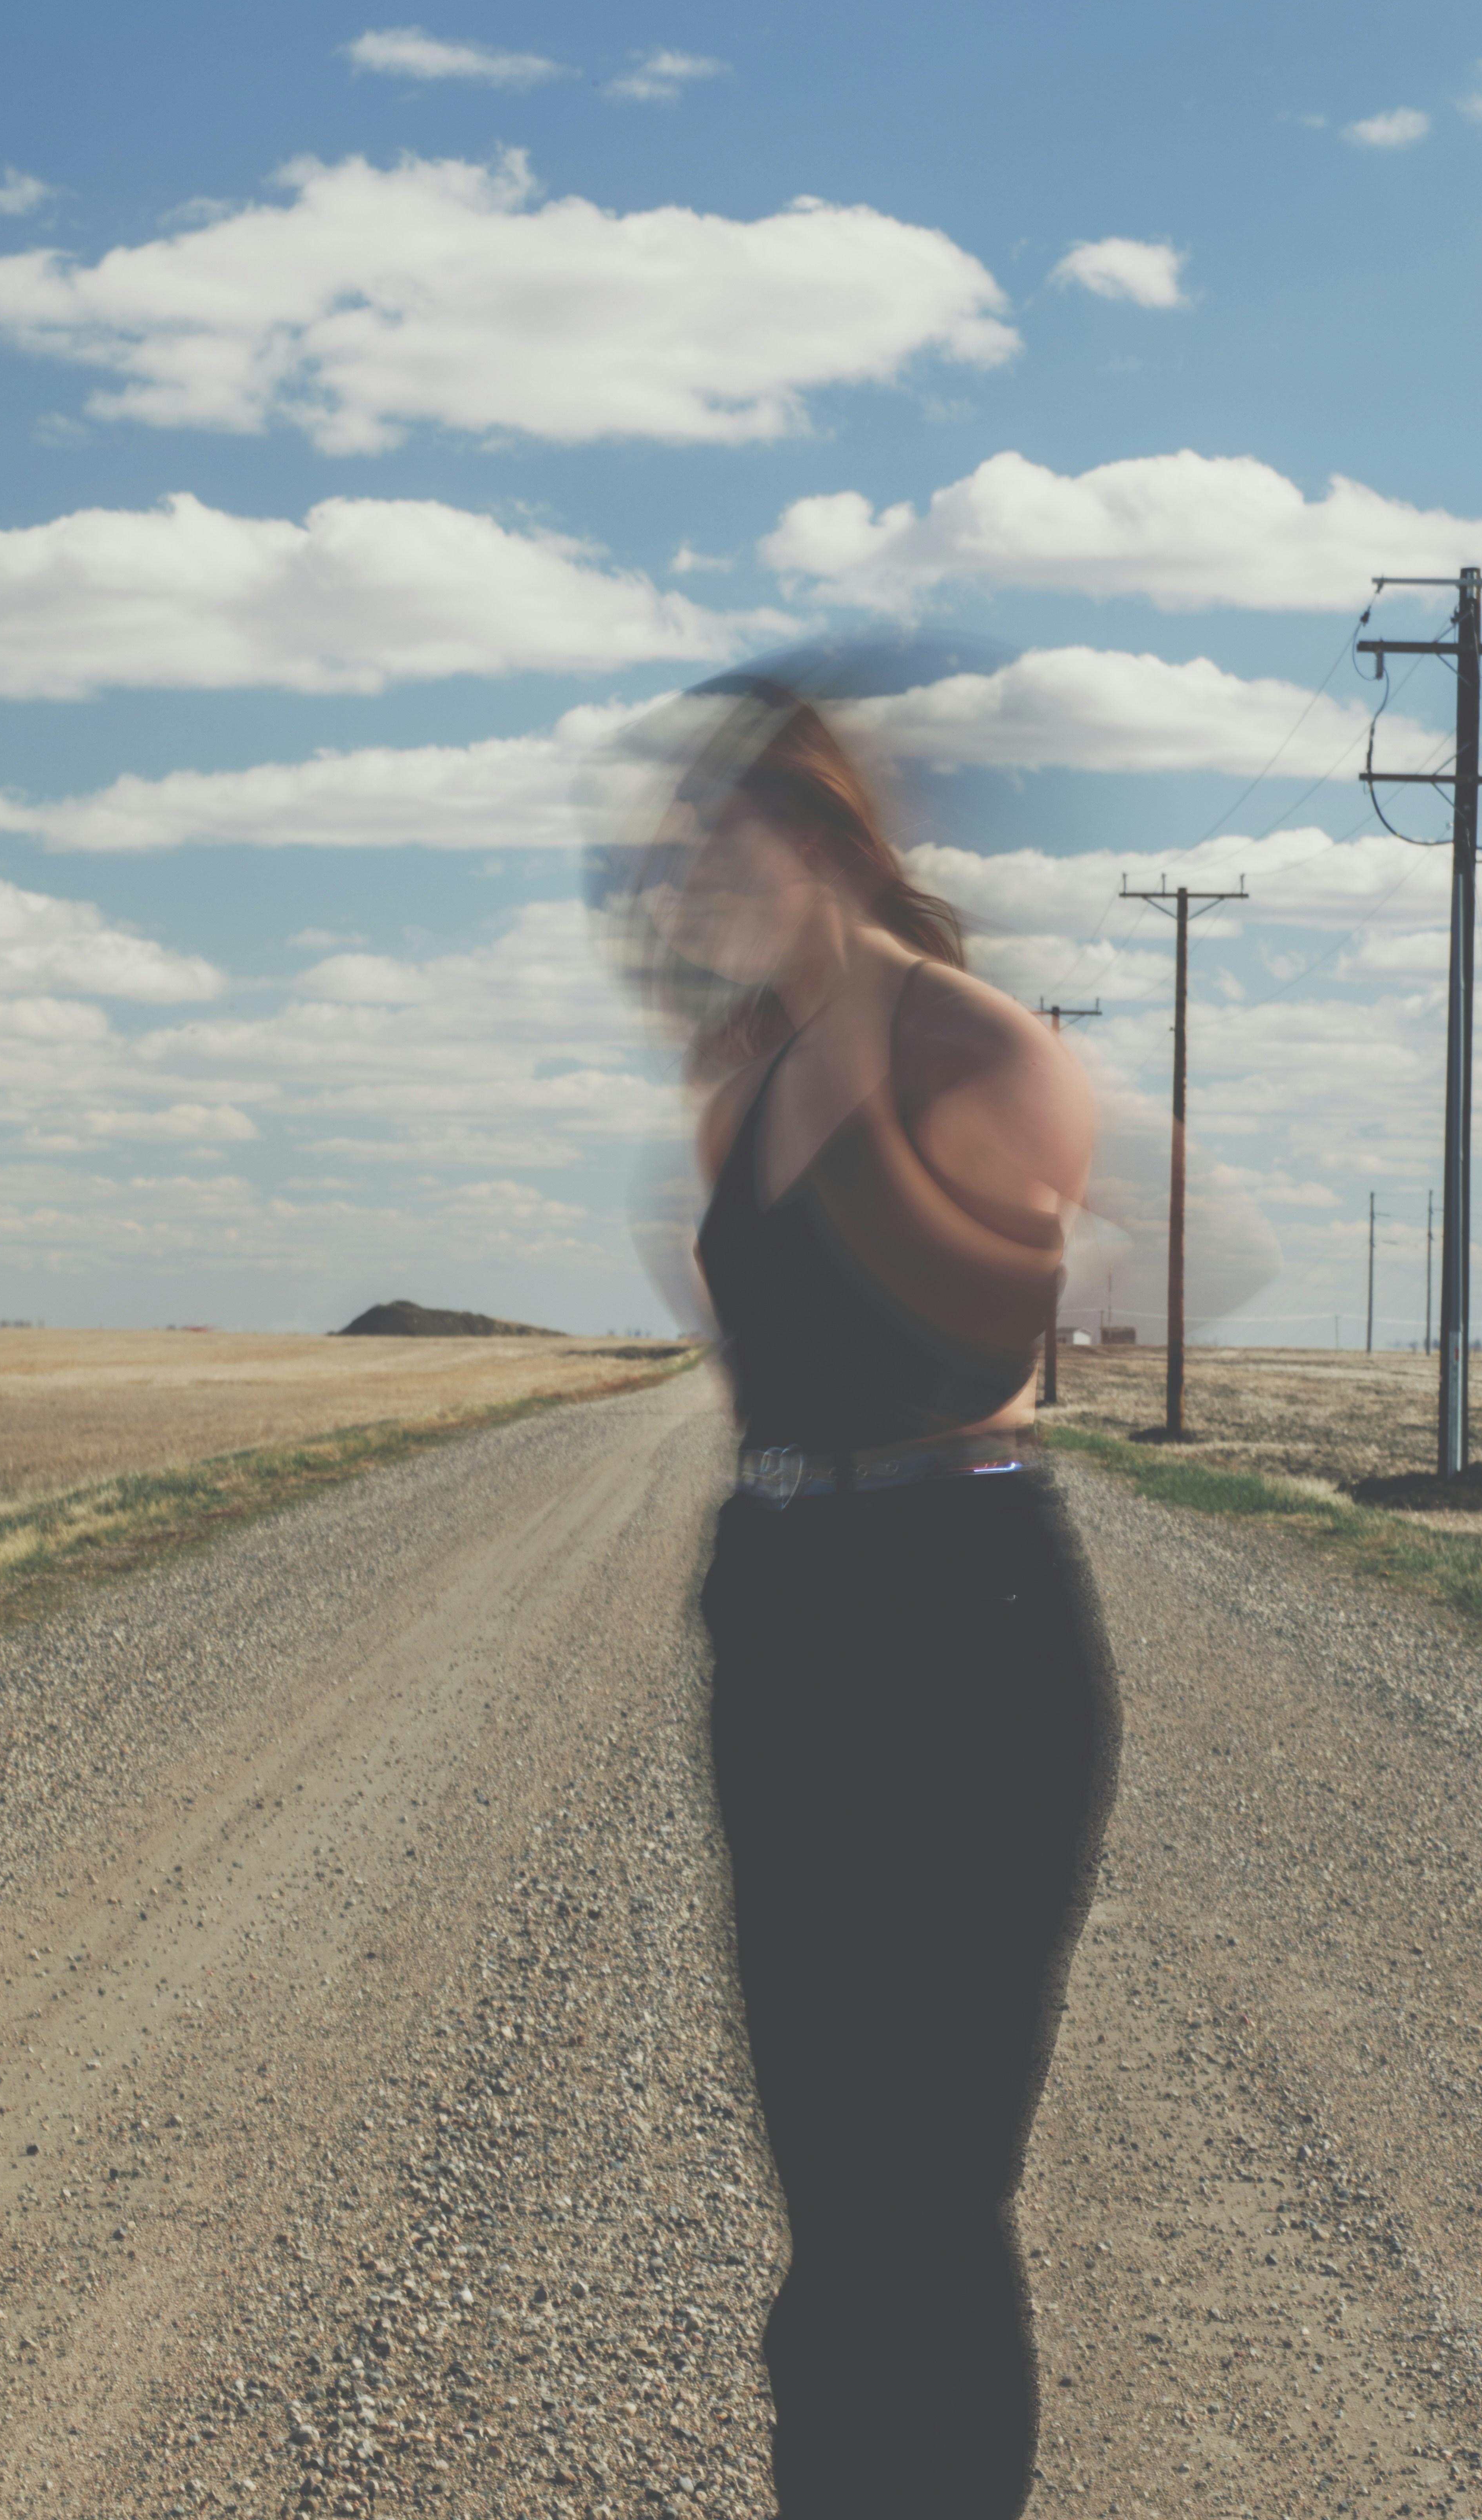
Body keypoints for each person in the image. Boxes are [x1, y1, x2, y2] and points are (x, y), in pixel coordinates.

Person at [621, 675, 1122, 2519]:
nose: (684, 888)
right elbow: (767, 1339)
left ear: (820, 840)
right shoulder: (731, 1079)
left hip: (964, 1609)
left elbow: (977, 1339)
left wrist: (913, 1197)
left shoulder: (980, 1050)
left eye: (715, 845)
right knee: (833, 2202)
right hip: (781, 1609)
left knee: (928, 2200)